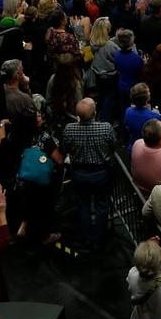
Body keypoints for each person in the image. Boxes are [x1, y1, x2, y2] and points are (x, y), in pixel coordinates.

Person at [60, 97, 117, 251]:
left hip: (79, 173)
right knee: (102, 205)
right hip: (101, 173)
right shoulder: (106, 128)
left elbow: (65, 148)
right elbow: (113, 146)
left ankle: (87, 237)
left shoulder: (69, 129)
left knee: (83, 205)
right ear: (94, 113)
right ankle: (99, 239)